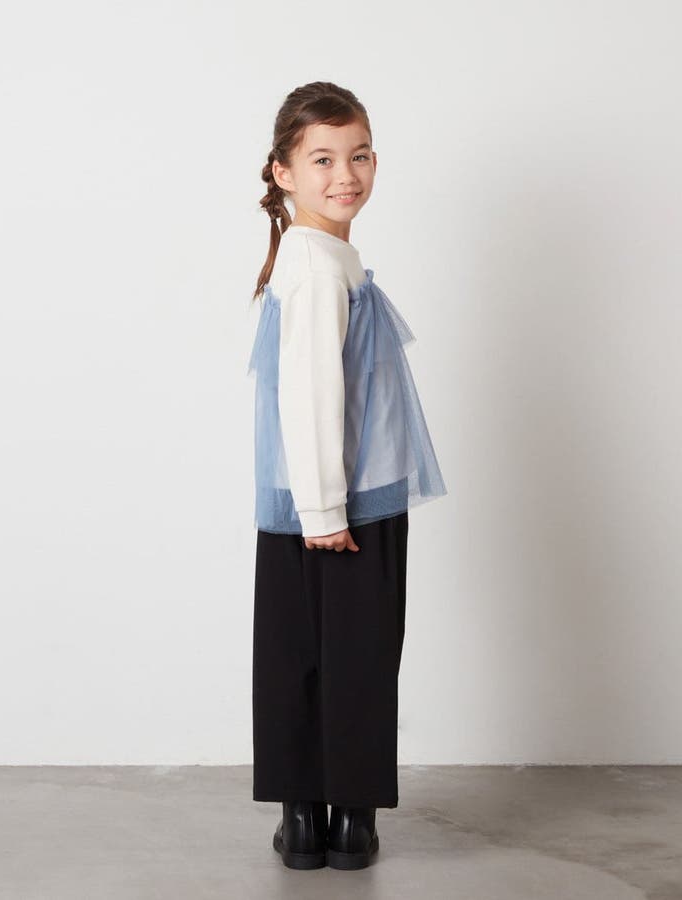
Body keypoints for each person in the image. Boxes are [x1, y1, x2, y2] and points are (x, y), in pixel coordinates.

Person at [247, 81, 447, 870]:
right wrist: (326, 511)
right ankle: (352, 822)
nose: (346, 175)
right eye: (323, 159)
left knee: (299, 657)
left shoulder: (320, 256)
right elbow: (309, 392)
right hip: (340, 507)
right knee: (358, 660)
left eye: (359, 155)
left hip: (310, 503)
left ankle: (304, 822)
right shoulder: (317, 265)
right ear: (283, 172)